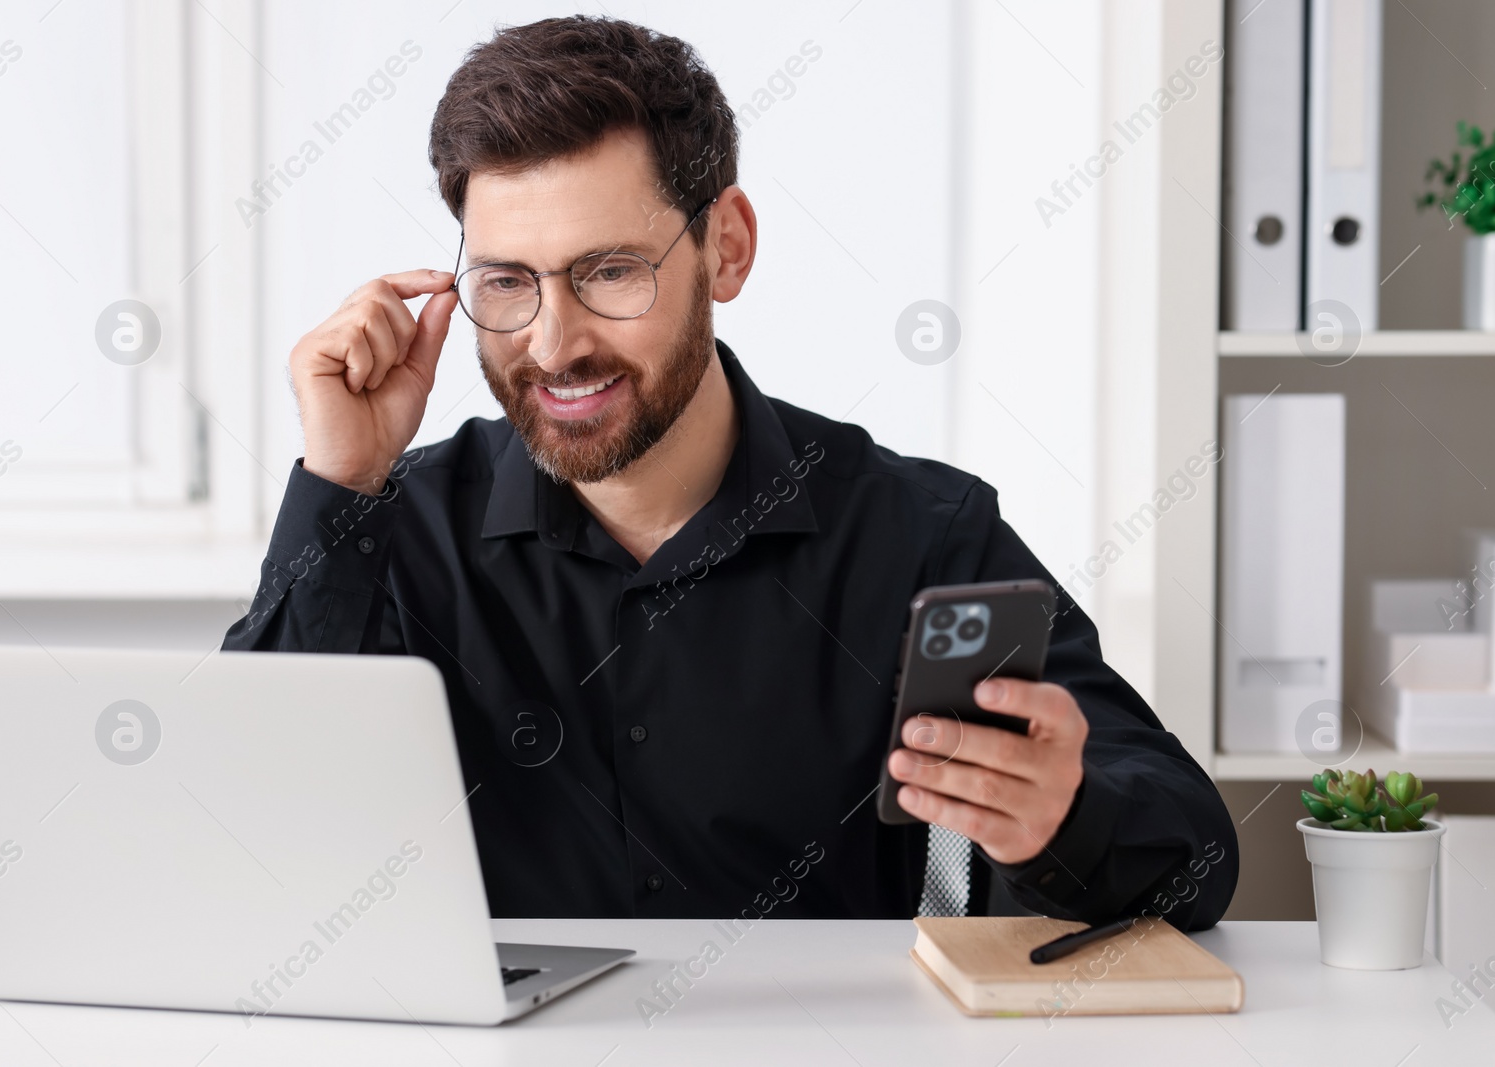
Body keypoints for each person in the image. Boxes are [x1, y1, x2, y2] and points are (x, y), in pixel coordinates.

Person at [224, 15, 1238, 929]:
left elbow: (1198, 858)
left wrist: (1059, 814)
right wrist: (337, 483)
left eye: (610, 271)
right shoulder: (394, 528)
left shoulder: (917, 530)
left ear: (727, 249)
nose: (553, 342)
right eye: (507, 282)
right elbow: (241, 829)